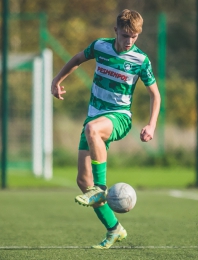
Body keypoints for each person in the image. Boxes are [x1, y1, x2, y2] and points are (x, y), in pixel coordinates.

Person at [51, 9, 161, 249]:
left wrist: (151, 125)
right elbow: (78, 59)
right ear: (115, 31)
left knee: (92, 130)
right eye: (125, 35)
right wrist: (57, 80)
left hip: (119, 118)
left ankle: (101, 190)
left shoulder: (141, 60)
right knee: (83, 181)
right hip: (95, 116)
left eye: (134, 36)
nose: (129, 41)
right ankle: (114, 229)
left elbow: (155, 95)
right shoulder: (100, 47)